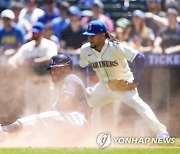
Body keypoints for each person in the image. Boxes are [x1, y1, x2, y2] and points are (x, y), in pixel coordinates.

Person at [79, 20, 169, 138]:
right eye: (88, 35)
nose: (90, 38)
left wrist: (136, 80)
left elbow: (140, 58)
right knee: (85, 106)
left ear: (102, 35)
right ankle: (80, 134)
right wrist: (86, 85)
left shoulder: (115, 47)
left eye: (93, 35)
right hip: (103, 86)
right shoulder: (85, 49)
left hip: (123, 85)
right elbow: (83, 66)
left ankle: (161, 132)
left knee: (139, 105)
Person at [0, 54, 90, 146]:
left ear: (68, 69)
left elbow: (65, 103)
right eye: (51, 69)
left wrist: (51, 111)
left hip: (75, 120)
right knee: (38, 135)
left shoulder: (70, 78)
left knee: (39, 119)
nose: (52, 72)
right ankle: (11, 139)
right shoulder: (66, 82)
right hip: (74, 125)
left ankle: (5, 130)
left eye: (56, 69)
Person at [8, 22, 58, 115]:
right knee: (30, 110)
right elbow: (16, 59)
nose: (35, 34)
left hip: (45, 82)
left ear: (42, 32)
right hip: (31, 83)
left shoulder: (49, 45)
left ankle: (47, 129)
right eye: (33, 32)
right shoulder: (27, 47)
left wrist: (34, 61)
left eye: (37, 32)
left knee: (46, 110)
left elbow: (51, 57)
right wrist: (12, 63)